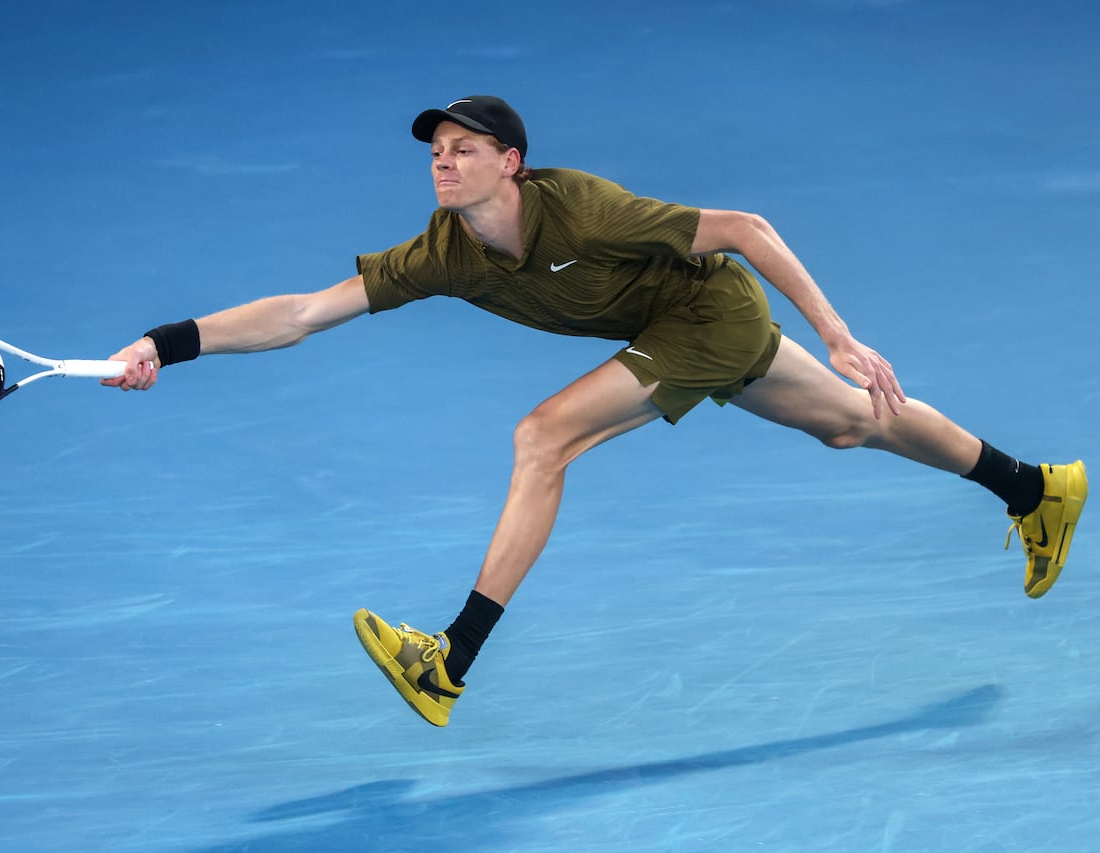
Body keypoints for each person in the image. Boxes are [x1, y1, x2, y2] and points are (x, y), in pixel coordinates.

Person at [104, 95, 1088, 727]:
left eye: (462, 149)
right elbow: (303, 312)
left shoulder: (581, 207)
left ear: (512, 163)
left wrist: (833, 328)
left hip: (705, 310)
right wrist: (165, 341)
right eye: (435, 152)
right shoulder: (440, 250)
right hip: (686, 328)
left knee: (542, 435)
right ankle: (1034, 488)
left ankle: (448, 660)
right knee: (849, 423)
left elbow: (742, 228)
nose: (442, 164)